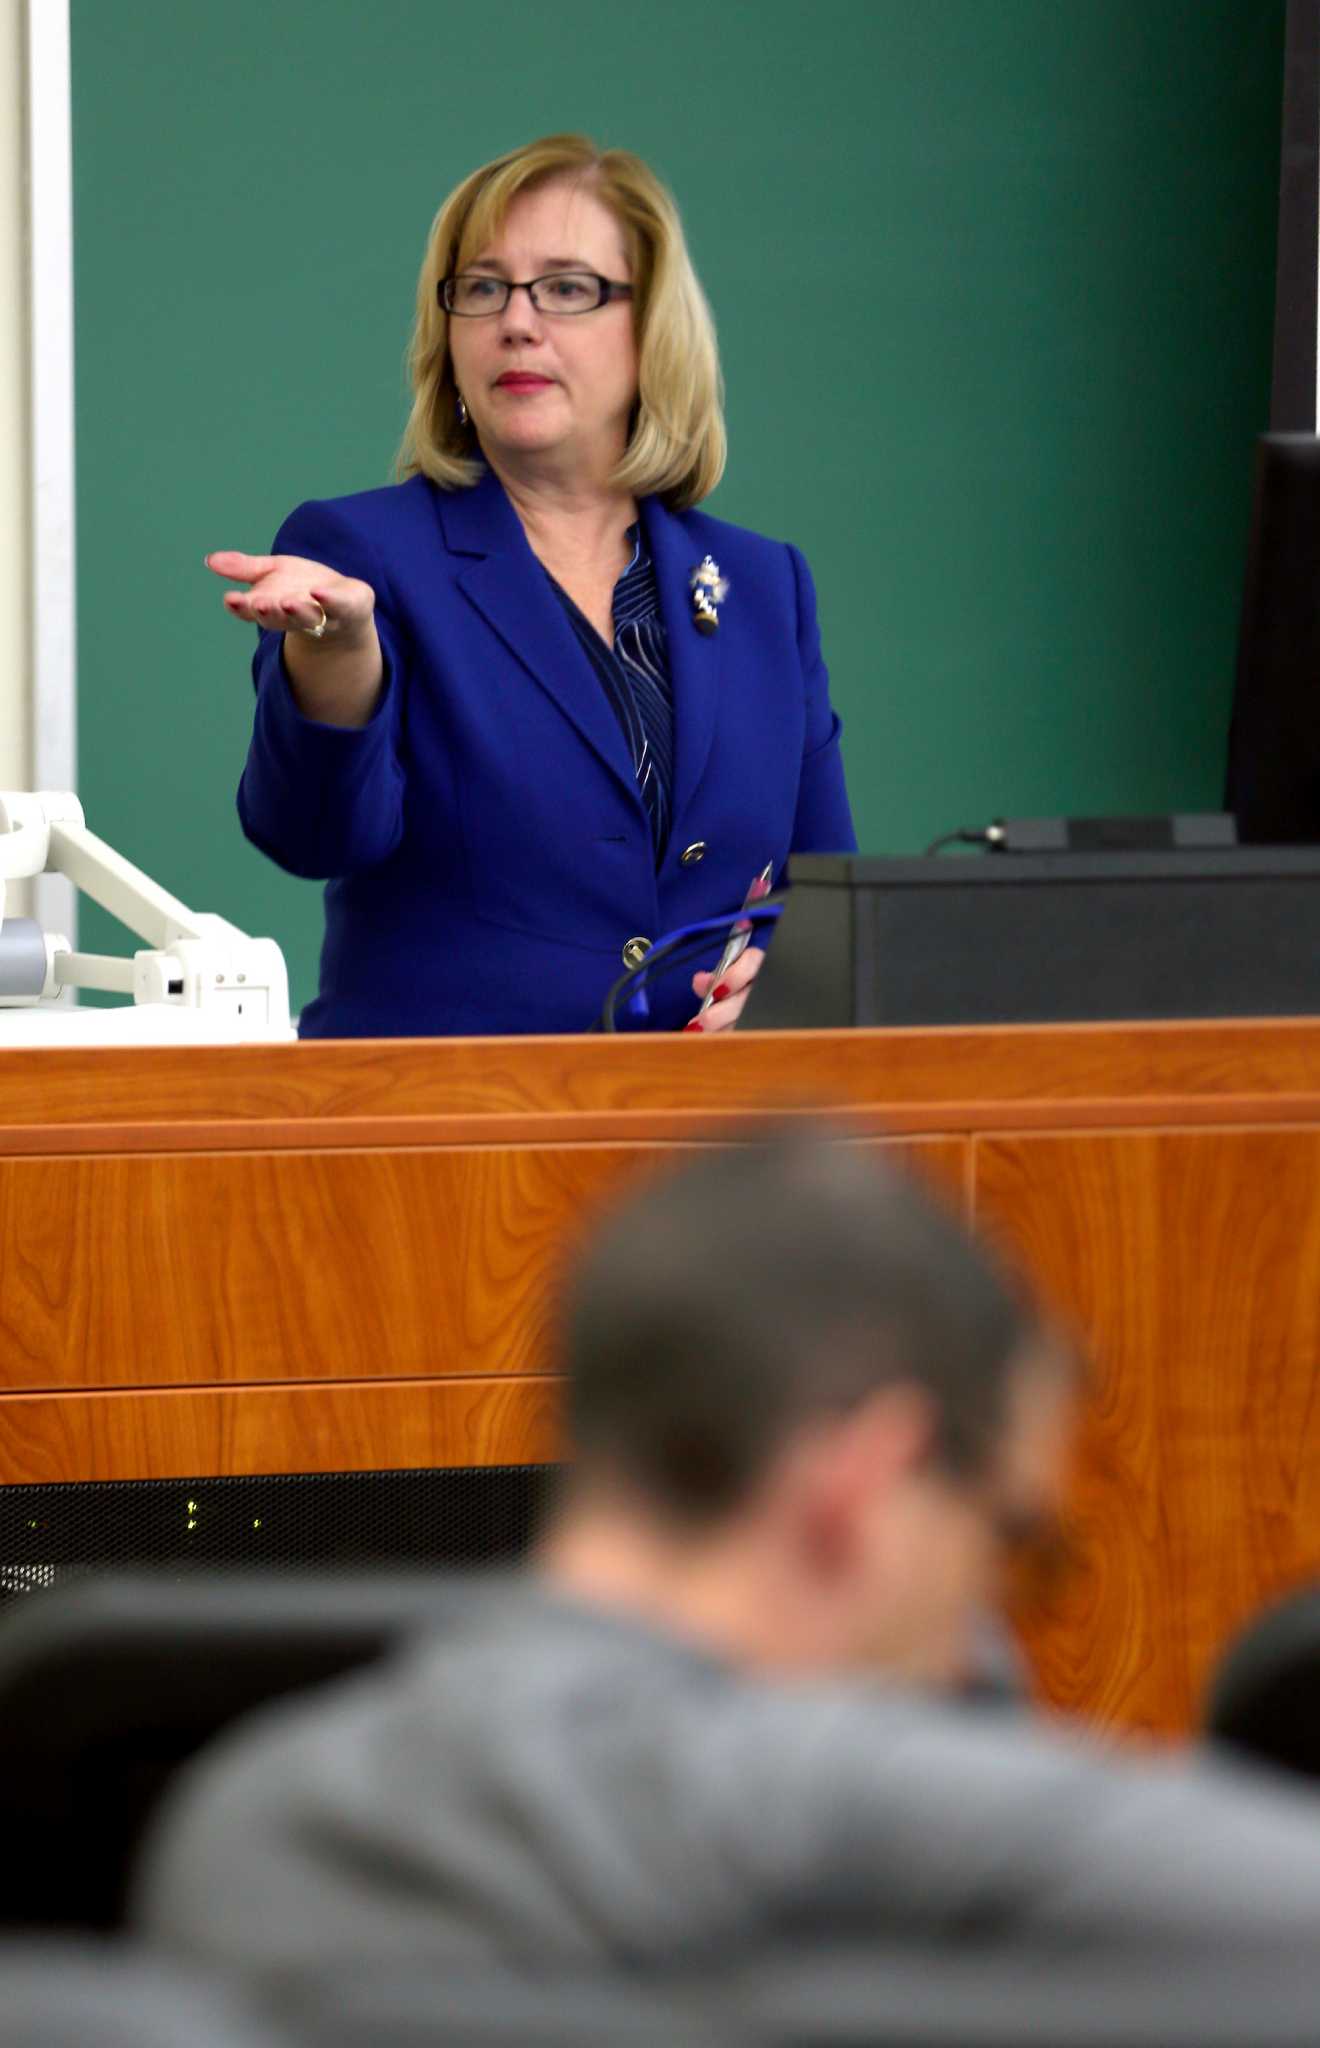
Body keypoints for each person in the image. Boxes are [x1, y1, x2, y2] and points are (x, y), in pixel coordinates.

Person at [134, 1130, 1320, 1975]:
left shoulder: (240, 1836)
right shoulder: (870, 1815)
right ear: (862, 1483)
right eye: (1012, 1538)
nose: (983, 1637)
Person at [209, 135, 856, 1039]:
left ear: (652, 328)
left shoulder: (761, 584)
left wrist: (788, 986)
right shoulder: (361, 551)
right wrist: (338, 654)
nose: (517, 321)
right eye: (482, 288)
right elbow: (312, 837)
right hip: (448, 1137)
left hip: (714, 1143)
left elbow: (827, 899)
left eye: (567, 288)